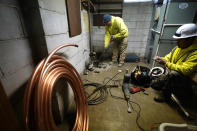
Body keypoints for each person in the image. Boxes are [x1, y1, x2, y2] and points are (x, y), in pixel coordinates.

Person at [151, 23, 197, 102]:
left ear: (190, 39)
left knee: (174, 74)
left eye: (180, 40)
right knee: (154, 84)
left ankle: (165, 95)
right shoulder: (178, 48)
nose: (177, 42)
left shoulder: (195, 53)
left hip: (185, 82)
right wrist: (161, 59)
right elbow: (168, 57)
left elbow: (186, 70)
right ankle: (166, 84)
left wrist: (166, 63)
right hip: (172, 77)